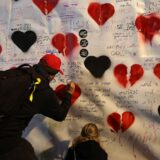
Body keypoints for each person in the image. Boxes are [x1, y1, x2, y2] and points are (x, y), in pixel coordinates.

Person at [0, 54, 76, 160]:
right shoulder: (44, 92)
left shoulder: (18, 73)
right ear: (52, 75)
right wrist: (69, 94)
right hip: (7, 144)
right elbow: (60, 115)